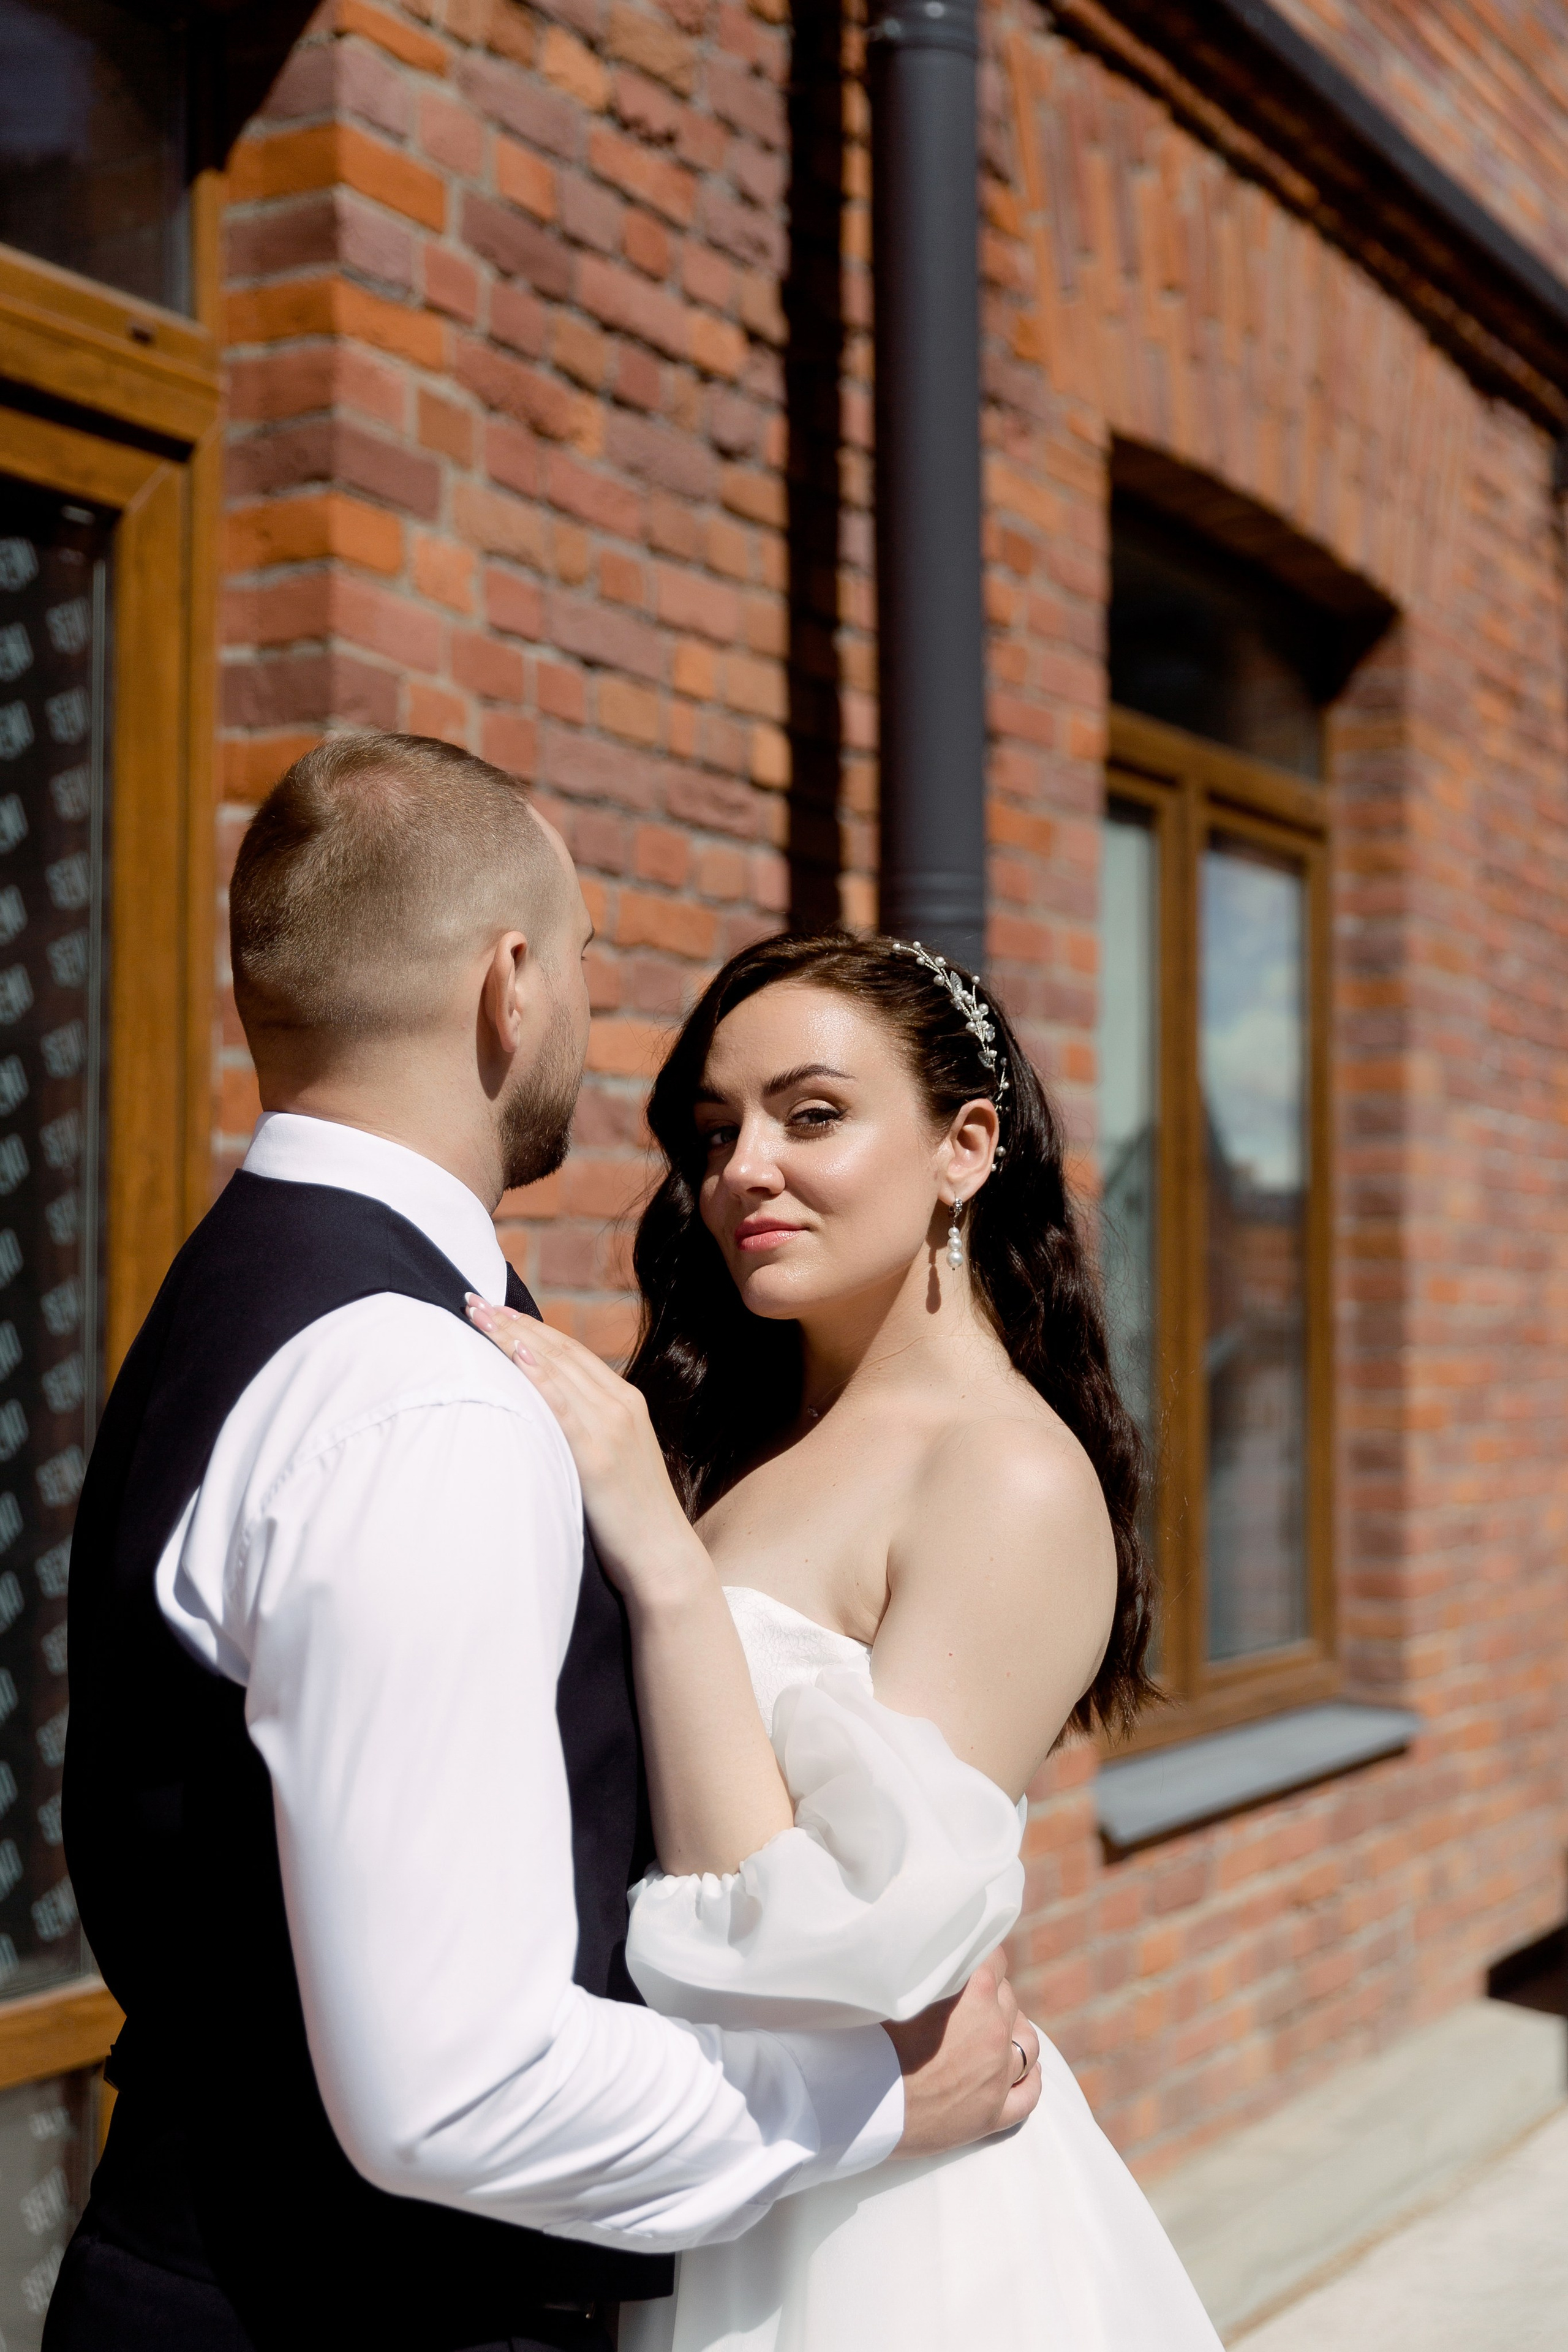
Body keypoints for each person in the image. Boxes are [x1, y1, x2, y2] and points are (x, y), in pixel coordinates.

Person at [45, 736, 1039, 2352]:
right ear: (510, 986)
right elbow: (459, 2086)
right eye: (581, 960)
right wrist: (868, 2102)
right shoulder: (415, 1394)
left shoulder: (236, 1293)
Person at [466, 929, 1225, 2350]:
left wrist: (659, 1560)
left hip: (880, 2238)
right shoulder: (736, 1434)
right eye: (715, 1129)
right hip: (719, 2166)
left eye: (810, 1114)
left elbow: (845, 1943)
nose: (742, 1166)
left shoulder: (1002, 1474)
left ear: (964, 1146)